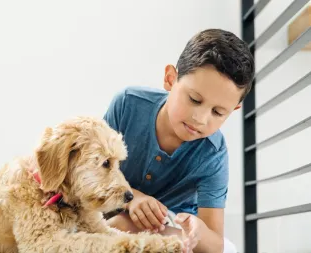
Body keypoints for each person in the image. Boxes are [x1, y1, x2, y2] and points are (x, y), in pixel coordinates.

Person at [103, 28, 255, 253]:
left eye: (218, 112)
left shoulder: (213, 154)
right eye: (194, 99)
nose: (200, 119)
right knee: (115, 225)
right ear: (170, 79)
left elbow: (214, 243)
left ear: (234, 110)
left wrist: (197, 231)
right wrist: (132, 197)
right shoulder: (128, 105)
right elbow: (92, 170)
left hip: (168, 226)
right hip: (108, 209)